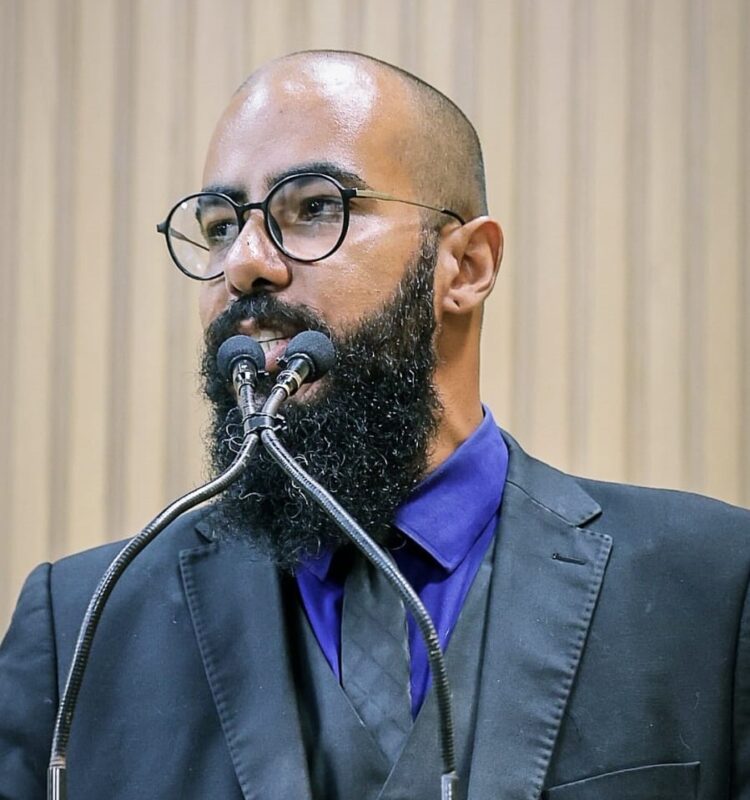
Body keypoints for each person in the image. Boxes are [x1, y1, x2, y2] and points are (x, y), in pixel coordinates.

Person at [1, 50, 749, 800]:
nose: (245, 264)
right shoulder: (79, 627)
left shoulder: (716, 588)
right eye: (221, 226)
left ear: (467, 266)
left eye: (314, 208)